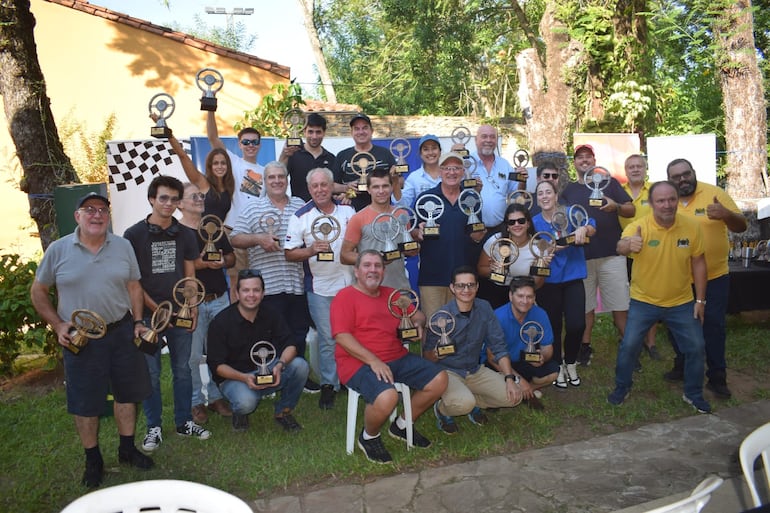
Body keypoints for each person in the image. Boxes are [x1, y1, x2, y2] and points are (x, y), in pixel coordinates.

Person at [30, 192, 154, 488]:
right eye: (89, 210)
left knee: (126, 393)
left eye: (102, 210)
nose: (96, 215)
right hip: (80, 338)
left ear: (107, 216)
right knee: (86, 402)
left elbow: (134, 287)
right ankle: (93, 459)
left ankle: (127, 448)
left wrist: (138, 322)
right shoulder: (59, 250)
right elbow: (39, 291)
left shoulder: (122, 246)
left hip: (122, 331)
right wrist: (58, 324)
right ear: (78, 216)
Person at [331, 250, 448, 463]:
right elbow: (342, 337)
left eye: (377, 266)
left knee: (440, 379)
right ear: (356, 271)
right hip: (357, 363)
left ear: (383, 271)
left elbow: (418, 315)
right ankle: (369, 437)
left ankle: (402, 425)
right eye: (367, 265)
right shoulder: (345, 297)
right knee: (388, 397)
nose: (372, 270)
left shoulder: (392, 295)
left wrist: (418, 323)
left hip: (397, 357)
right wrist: (373, 361)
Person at [123, 175, 211, 452]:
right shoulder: (134, 235)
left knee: (183, 370)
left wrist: (192, 306)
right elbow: (133, 282)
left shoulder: (184, 233)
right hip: (149, 314)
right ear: (151, 199)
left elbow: (189, 273)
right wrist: (156, 310)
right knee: (150, 373)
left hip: (181, 313)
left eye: (174, 199)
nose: (169, 204)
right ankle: (154, 427)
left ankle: (184, 421)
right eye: (163, 198)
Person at [609, 181, 711, 413]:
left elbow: (699, 262)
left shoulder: (692, 227)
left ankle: (693, 393)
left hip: (681, 302)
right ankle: (622, 387)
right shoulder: (639, 227)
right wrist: (628, 245)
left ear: (677, 200)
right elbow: (620, 246)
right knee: (629, 346)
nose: (667, 205)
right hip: (644, 301)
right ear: (652, 203)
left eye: (671, 199)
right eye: (661, 201)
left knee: (696, 347)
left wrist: (701, 301)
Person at [230, 162, 318, 393]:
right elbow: (235, 238)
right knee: (269, 336)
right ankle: (267, 375)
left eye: (281, 176)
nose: (277, 181)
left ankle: (299, 375)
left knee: (298, 333)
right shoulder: (252, 208)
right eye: (272, 178)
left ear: (287, 179)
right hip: (267, 287)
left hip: (296, 283)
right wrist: (258, 239)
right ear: (265, 182)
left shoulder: (301, 205)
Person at [665, 159, 747, 398]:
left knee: (713, 325)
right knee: (676, 326)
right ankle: (682, 365)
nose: (682, 179)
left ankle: (717, 377)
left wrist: (725, 214)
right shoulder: (666, 202)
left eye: (685, 174)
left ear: (694, 173)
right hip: (677, 278)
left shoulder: (714, 193)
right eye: (676, 176)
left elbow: (741, 225)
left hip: (714, 277)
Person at [285, 167, 356, 409]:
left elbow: (357, 242)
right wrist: (310, 250)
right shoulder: (300, 216)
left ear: (331, 185)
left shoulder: (348, 209)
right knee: (328, 337)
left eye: (324, 184)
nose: (320, 189)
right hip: (319, 287)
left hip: (349, 286)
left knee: (351, 335)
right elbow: (289, 253)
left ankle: (349, 378)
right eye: (315, 186)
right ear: (309, 189)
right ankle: (329, 384)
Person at [207, 269, 310, 432]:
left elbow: (290, 344)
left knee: (300, 366)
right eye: (246, 290)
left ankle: (283, 411)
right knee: (246, 402)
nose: (251, 295)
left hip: (268, 370)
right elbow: (216, 366)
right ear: (237, 293)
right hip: (235, 378)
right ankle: (240, 412)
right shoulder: (221, 322)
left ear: (263, 293)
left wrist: (280, 366)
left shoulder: (271, 314)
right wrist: (244, 378)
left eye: (256, 290)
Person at [423, 266, 522, 435]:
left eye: (470, 285)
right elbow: (427, 357)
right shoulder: (441, 316)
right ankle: (442, 409)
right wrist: (438, 353)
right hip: (449, 371)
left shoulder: (484, 308)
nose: (466, 290)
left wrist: (509, 378)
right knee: (462, 404)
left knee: (514, 397)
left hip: (474, 370)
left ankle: (470, 400)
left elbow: (498, 345)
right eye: (461, 286)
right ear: (452, 288)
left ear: (477, 287)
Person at [561, 144, 634, 366]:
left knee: (620, 303)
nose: (584, 160)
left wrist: (617, 207)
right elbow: (561, 220)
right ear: (574, 163)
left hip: (611, 254)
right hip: (580, 257)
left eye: (588, 157)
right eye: (579, 157)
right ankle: (585, 347)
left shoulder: (609, 183)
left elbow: (631, 209)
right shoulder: (569, 190)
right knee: (586, 306)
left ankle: (629, 345)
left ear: (594, 160)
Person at [177, 182, 235, 425]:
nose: (200, 199)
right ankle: (194, 401)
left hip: (219, 299)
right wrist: (201, 264)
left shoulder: (213, 226)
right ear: (180, 204)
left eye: (201, 195)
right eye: (194, 196)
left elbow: (231, 257)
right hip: (193, 303)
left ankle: (215, 395)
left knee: (218, 352)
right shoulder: (176, 232)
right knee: (192, 356)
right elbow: (178, 267)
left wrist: (221, 261)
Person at [532, 180, 595, 389]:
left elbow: (592, 224)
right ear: (537, 198)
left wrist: (584, 229)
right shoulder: (534, 222)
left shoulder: (571, 213)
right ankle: (558, 365)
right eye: (540, 193)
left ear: (556, 195)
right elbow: (537, 246)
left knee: (577, 324)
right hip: (548, 281)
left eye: (548, 192)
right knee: (555, 326)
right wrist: (551, 248)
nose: (544, 196)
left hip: (573, 276)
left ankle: (571, 361)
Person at [412, 152, 487, 318]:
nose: (452, 172)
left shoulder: (471, 198)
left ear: (463, 172)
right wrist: (419, 232)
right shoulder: (426, 198)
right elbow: (414, 233)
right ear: (440, 171)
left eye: (457, 168)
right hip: (432, 278)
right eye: (447, 168)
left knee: (462, 329)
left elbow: (476, 234)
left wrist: (478, 235)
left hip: (464, 279)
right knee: (433, 328)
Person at [206, 110, 265, 300]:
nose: (250, 145)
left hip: (257, 236)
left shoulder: (266, 171)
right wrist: (210, 107)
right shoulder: (233, 162)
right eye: (246, 142)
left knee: (256, 284)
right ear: (239, 144)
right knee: (236, 283)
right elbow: (213, 138)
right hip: (234, 232)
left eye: (254, 142)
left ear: (259, 145)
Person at [492, 276, 560, 410]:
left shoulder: (540, 314)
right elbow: (491, 357)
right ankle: (522, 387)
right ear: (511, 296)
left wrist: (542, 357)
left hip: (523, 360)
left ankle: (525, 390)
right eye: (520, 296)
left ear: (534, 298)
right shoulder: (498, 317)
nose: (525, 301)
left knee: (553, 372)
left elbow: (547, 348)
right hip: (499, 364)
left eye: (529, 297)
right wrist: (518, 379)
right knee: (500, 393)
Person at [341, 168, 414, 290]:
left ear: (391, 187)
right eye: (376, 187)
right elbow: (344, 255)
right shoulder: (358, 218)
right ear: (368, 190)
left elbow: (409, 250)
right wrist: (374, 260)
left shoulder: (402, 215)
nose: (381, 191)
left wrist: (414, 247)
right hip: (368, 291)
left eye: (385, 186)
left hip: (399, 289)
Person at [620, 154, 660, 360]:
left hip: (651, 253)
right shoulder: (618, 191)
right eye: (631, 167)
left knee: (651, 296)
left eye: (639, 166)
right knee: (625, 298)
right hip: (624, 253)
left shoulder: (655, 191)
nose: (635, 170)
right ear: (625, 170)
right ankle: (629, 337)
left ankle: (651, 343)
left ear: (645, 169)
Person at [163, 119, 234, 221]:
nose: (220, 166)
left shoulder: (229, 187)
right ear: (210, 166)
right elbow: (183, 156)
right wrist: (167, 132)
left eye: (223, 163)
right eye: (215, 163)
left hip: (219, 235)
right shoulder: (203, 183)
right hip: (198, 234)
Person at [477, 203, 541, 309]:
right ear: (507, 226)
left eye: (521, 221)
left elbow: (538, 284)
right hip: (496, 290)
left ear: (528, 223)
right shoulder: (495, 241)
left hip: (524, 293)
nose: (516, 224)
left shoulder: (538, 246)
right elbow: (480, 269)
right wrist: (492, 270)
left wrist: (539, 269)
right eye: (511, 222)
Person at [331, 113, 396, 211]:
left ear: (372, 131)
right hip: (351, 210)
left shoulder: (385, 153)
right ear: (351, 132)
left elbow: (401, 182)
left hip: (382, 210)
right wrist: (346, 188)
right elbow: (332, 186)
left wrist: (392, 178)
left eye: (365, 128)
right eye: (357, 129)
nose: (361, 132)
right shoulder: (342, 156)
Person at [468, 125, 524, 229]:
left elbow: (516, 194)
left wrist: (522, 180)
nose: (488, 140)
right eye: (484, 136)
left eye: (492, 137)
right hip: (472, 228)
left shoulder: (505, 165)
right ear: (476, 140)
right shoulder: (466, 164)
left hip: (500, 228)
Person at [280, 112, 336, 202]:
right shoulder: (293, 154)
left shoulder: (331, 158)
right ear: (304, 131)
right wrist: (284, 154)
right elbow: (280, 175)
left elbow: (334, 186)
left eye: (318, 132)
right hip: (299, 208)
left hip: (323, 210)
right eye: (310, 132)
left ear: (324, 133)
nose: (314, 136)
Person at [394, 134, 442, 208]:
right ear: (420, 153)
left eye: (434, 148)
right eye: (426, 149)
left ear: (440, 151)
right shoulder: (414, 177)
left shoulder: (449, 174)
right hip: (423, 219)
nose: (430, 152)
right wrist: (395, 183)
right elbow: (402, 204)